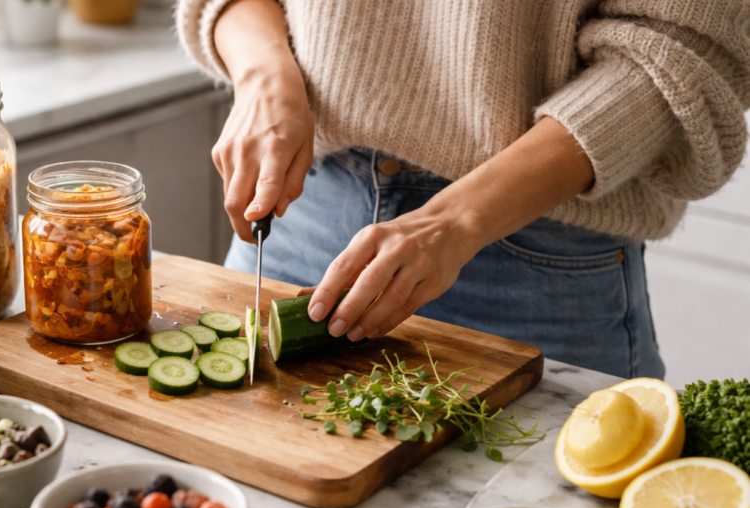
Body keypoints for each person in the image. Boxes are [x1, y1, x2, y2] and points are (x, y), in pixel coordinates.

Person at [176, 0, 750, 379]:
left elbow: (682, 48)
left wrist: (454, 221)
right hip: (299, 212)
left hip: (535, 257)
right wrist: (263, 74)